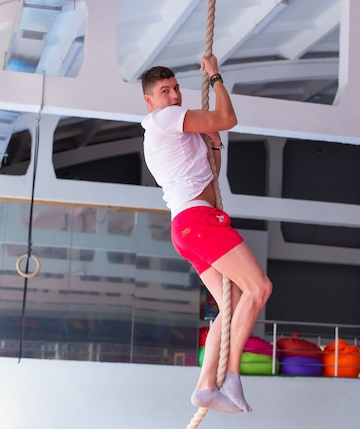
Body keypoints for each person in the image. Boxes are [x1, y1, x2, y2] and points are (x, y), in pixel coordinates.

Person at [139, 55, 272, 413]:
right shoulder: (164, 119)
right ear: (150, 101)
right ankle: (230, 375)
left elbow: (211, 175)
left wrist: (213, 145)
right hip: (197, 223)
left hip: (190, 226)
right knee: (260, 288)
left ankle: (204, 386)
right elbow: (229, 118)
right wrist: (214, 76)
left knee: (232, 306)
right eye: (165, 91)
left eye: (176, 89)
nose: (175, 96)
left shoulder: (180, 130)